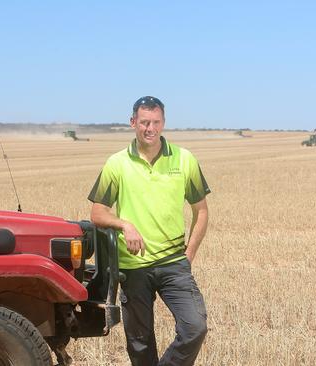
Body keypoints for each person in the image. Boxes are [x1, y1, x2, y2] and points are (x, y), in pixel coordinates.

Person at [88, 96, 210, 366]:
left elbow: (201, 211)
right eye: (144, 122)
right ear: (133, 123)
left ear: (163, 123)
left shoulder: (184, 159)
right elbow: (97, 213)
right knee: (140, 344)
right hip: (133, 267)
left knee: (195, 328)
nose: (150, 128)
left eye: (155, 122)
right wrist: (124, 224)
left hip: (173, 263)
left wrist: (188, 255)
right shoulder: (117, 164)